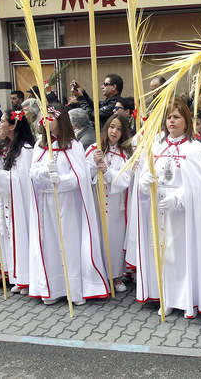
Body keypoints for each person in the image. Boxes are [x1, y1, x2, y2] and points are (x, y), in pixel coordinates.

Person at [129, 98, 201, 318]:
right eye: (169, 117)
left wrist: (179, 198)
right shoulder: (157, 146)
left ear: (186, 120)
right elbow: (146, 173)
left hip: (183, 214)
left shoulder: (195, 149)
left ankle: (186, 299)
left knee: (181, 256)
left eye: (176, 117)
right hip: (159, 209)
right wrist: (145, 182)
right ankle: (166, 297)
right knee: (163, 256)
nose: (171, 121)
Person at [29, 103, 109, 305]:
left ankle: (74, 289)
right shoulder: (40, 144)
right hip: (46, 201)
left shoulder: (74, 146)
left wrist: (61, 180)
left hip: (68, 203)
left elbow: (80, 176)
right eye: (43, 118)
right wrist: (44, 172)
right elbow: (32, 173)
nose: (45, 122)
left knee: (69, 245)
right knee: (50, 245)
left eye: (50, 118)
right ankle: (53, 289)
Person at [0, 110, 37, 294]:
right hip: (8, 201)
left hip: (21, 203)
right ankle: (17, 277)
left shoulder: (26, 150)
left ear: (13, 126)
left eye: (3, 121)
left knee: (21, 236)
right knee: (10, 237)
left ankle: (27, 278)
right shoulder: (5, 147)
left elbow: (21, 180)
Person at [85, 113, 135, 294]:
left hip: (115, 204)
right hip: (96, 201)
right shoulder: (93, 149)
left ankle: (115, 275)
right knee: (96, 236)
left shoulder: (125, 154)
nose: (114, 131)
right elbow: (83, 174)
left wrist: (107, 171)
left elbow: (125, 180)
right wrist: (93, 162)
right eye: (112, 127)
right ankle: (97, 274)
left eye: (119, 129)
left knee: (114, 238)